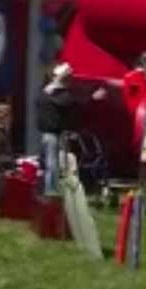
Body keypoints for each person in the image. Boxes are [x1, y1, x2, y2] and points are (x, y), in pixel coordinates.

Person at [36, 63, 107, 196]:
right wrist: (92, 98)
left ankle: (47, 190)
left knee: (49, 164)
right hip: (53, 135)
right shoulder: (55, 94)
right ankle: (51, 192)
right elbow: (70, 102)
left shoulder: (46, 92)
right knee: (53, 164)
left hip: (49, 134)